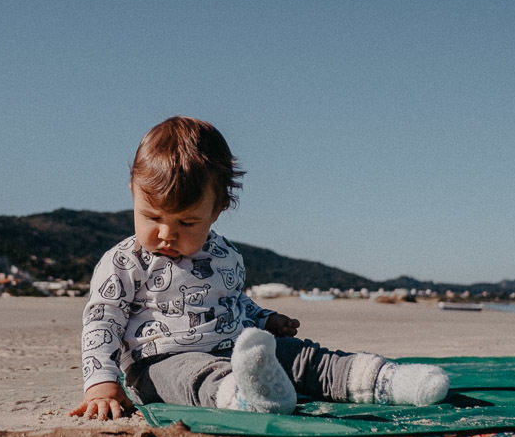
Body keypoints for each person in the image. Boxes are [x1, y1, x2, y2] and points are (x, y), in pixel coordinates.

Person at [70, 116, 450, 421]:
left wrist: (265, 319)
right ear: (132, 191)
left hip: (234, 347)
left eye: (187, 223)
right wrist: (101, 384)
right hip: (159, 363)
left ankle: (380, 380)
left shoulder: (225, 254)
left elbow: (234, 303)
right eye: (151, 216)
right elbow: (102, 323)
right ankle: (244, 395)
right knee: (191, 377)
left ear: (217, 211)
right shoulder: (124, 262)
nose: (166, 233)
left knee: (300, 355)